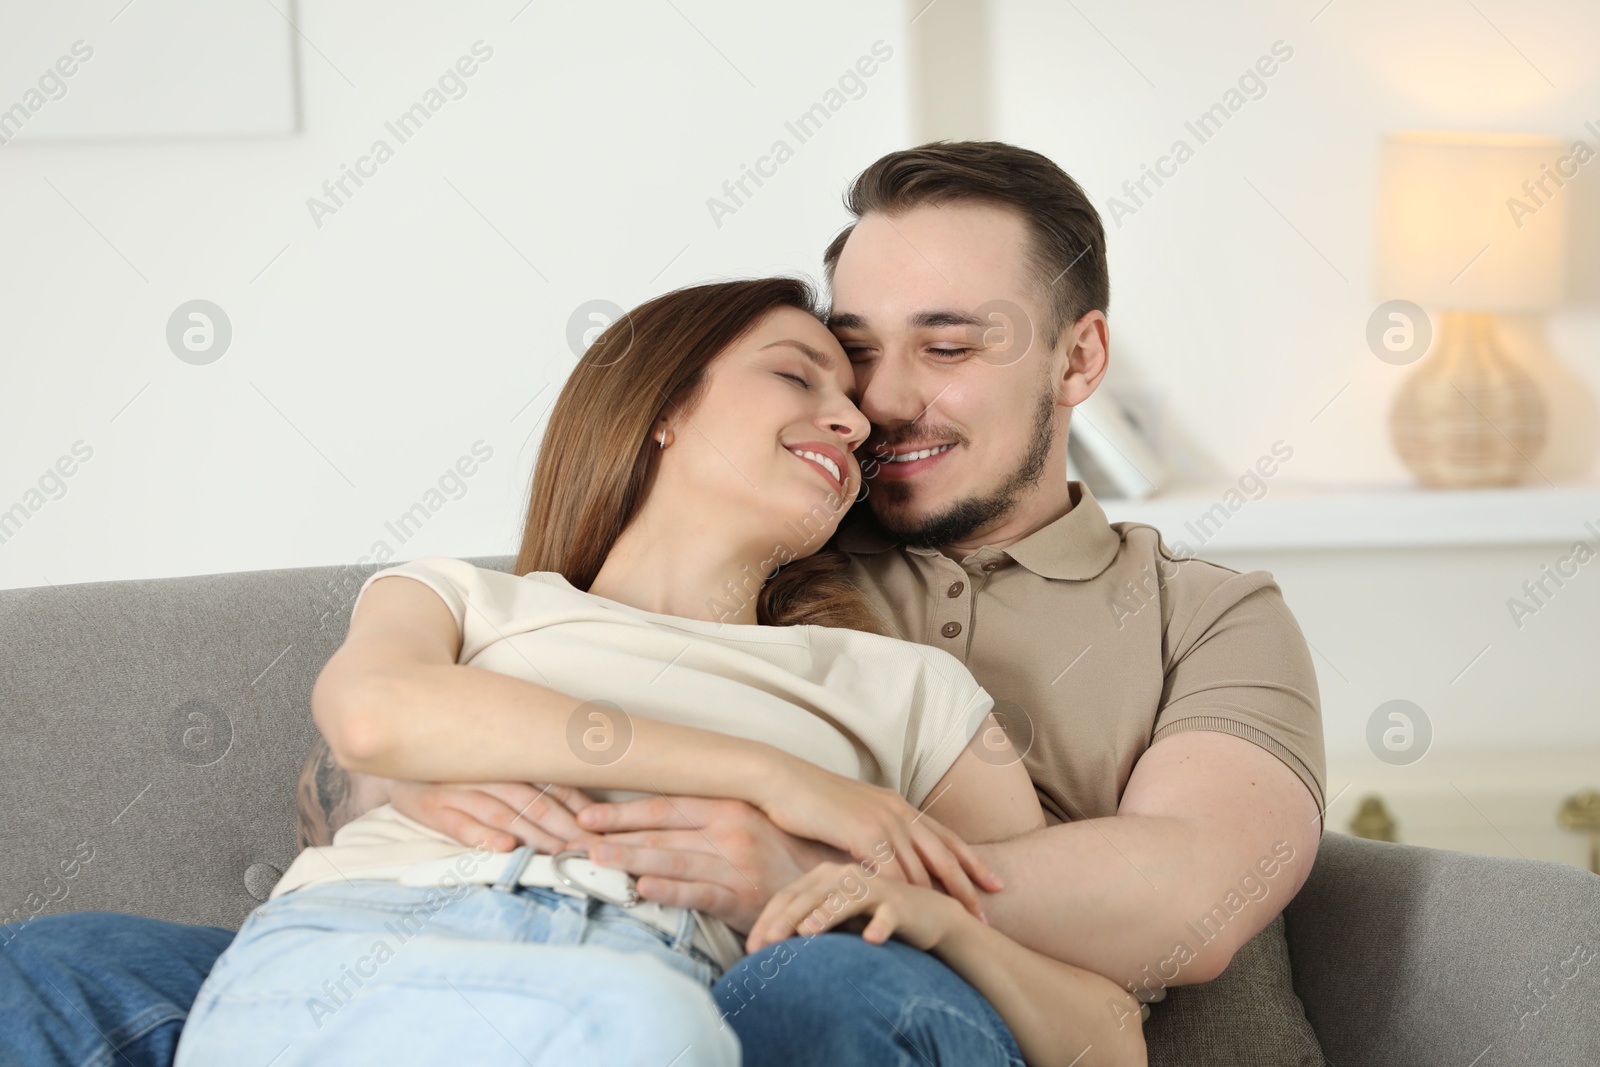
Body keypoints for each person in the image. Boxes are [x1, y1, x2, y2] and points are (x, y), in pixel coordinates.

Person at [1, 141, 1324, 1066]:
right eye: (848, 357)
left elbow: (1193, 895)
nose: (879, 407)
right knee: (58, 969)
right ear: (669, 416)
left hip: (795, 971)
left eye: (952, 344)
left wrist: (811, 865)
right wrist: (402, 786)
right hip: (409, 928)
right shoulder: (746, 538)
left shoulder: (1195, 610)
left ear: (1080, 355)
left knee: (809, 983)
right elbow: (369, 739)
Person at [169, 277, 1147, 1066]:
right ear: (666, 403)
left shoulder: (909, 686)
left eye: (849, 405)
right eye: (798, 376)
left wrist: (937, 919)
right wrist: (776, 777)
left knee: (642, 1024)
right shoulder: (459, 594)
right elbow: (373, 715)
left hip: (646, 977)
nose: (849, 420)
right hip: (350, 939)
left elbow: (1104, 1034)